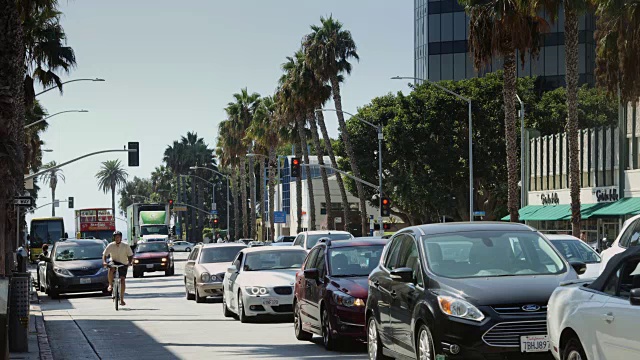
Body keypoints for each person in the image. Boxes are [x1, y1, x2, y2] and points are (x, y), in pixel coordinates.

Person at [102, 230, 133, 306]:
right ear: (114, 238)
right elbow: (104, 255)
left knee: (122, 280)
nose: (117, 239)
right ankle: (110, 285)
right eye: (116, 237)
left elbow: (130, 255)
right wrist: (104, 262)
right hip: (114, 261)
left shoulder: (125, 246)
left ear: (121, 238)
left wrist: (129, 262)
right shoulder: (110, 245)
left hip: (123, 263)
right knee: (111, 268)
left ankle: (122, 299)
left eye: (118, 237)